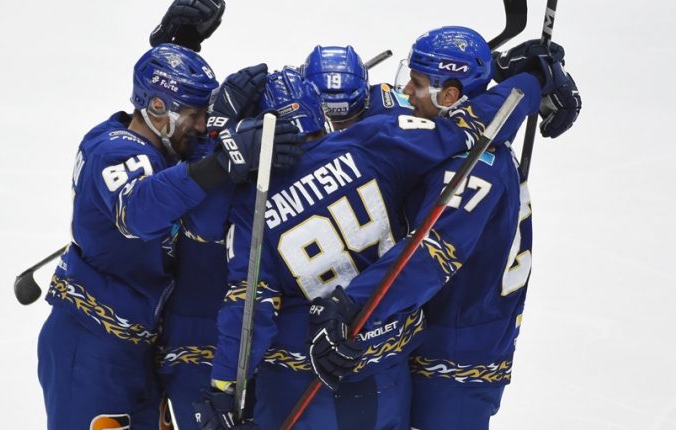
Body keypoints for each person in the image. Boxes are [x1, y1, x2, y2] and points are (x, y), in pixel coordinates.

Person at [197, 33, 551, 427]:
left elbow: (250, 304)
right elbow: (467, 127)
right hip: (391, 367)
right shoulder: (374, 140)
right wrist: (529, 81)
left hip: (308, 376)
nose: (406, 91)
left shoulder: (250, 205)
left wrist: (225, 386)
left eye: (416, 83)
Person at [306, 29, 581, 430]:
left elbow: (430, 256)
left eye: (417, 84)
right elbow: (397, 116)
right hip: (456, 330)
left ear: (450, 96)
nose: (406, 91)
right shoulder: (470, 138)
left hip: (458, 353)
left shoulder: (470, 171)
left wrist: (352, 305)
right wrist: (520, 76)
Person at [36, 40, 302, 429]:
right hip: (92, 346)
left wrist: (224, 125)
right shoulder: (113, 150)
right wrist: (224, 159)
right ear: (157, 108)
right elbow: (140, 211)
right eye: (194, 115)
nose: (201, 127)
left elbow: (188, 165)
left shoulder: (161, 146)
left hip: (140, 349)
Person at [301, 45, 412, 130]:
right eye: (325, 119)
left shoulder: (395, 112)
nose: (336, 129)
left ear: (366, 99)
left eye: (344, 120)